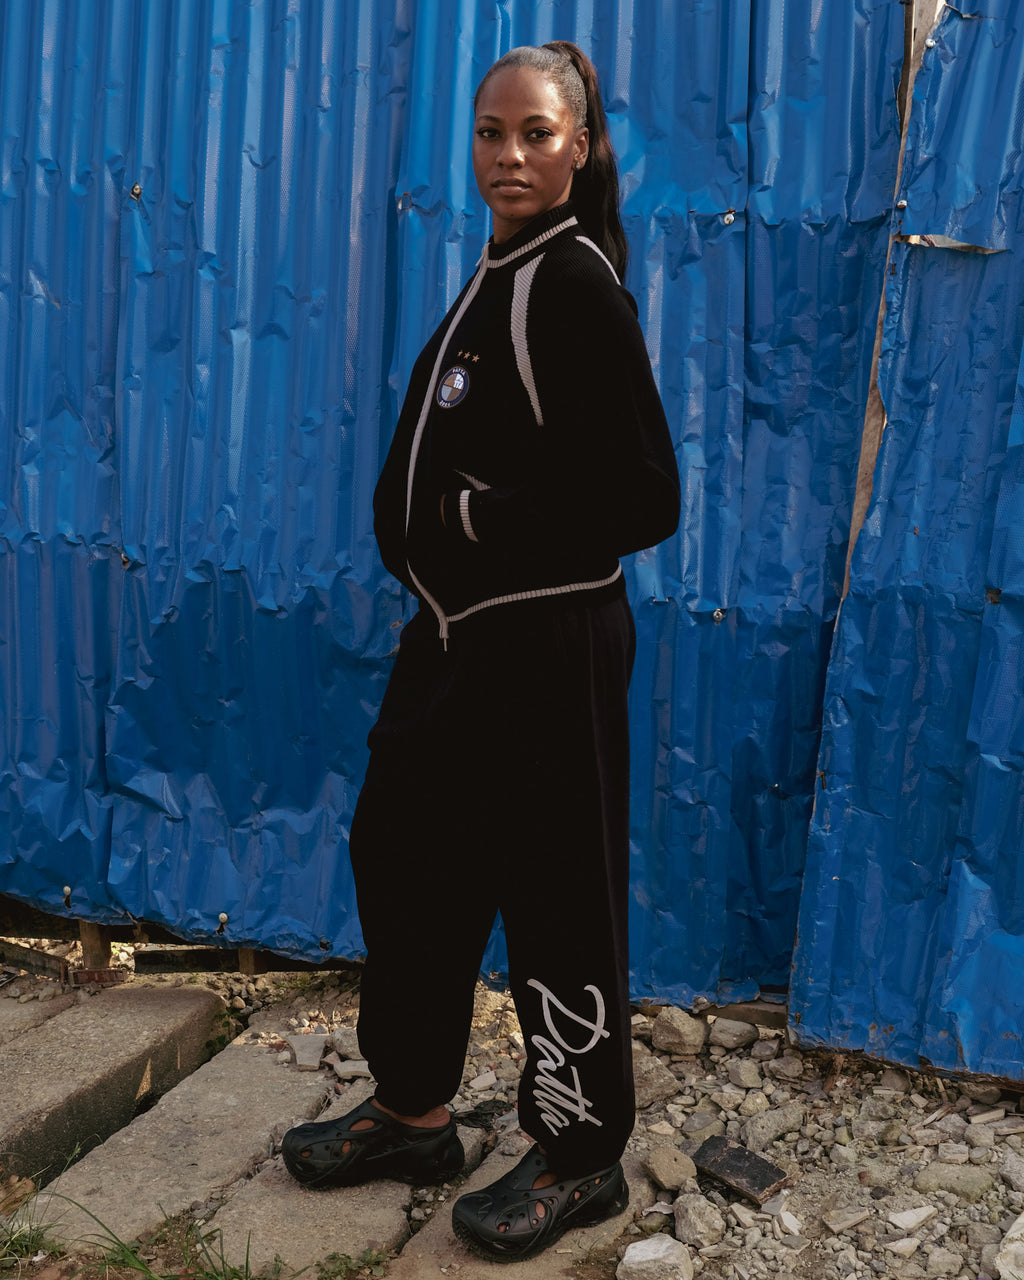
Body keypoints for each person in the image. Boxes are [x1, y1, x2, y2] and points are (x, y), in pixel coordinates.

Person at [282, 40, 680, 1262]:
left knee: (557, 895)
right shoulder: (501, 271)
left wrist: (464, 521)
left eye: (536, 134)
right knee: (406, 856)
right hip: (454, 642)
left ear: (581, 148)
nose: (508, 156)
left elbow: (643, 494)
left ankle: (578, 1152)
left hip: (546, 640)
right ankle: (414, 1110)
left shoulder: (573, 284)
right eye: (490, 133)